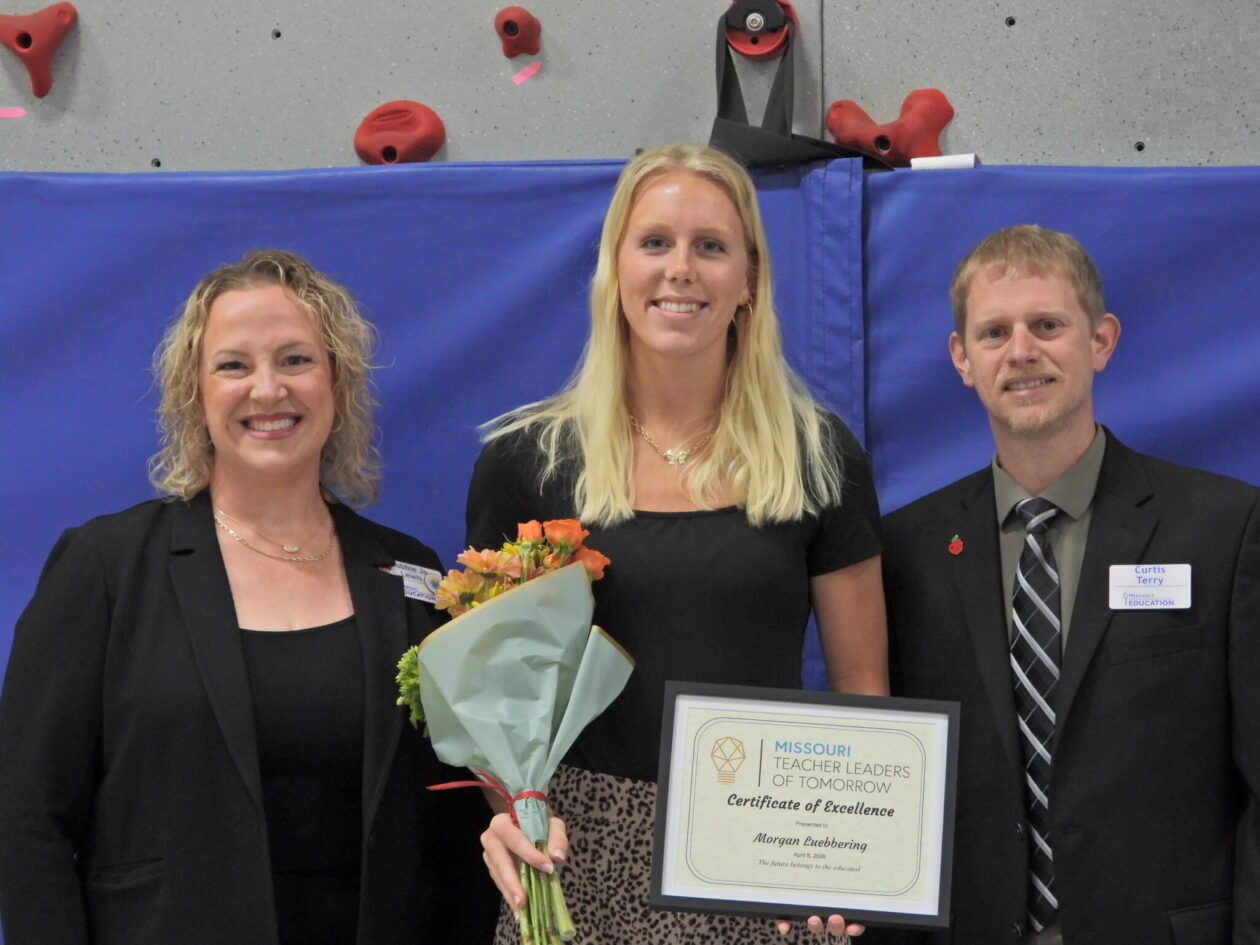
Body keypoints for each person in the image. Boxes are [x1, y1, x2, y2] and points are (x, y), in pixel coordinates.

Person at [0, 249, 496, 944]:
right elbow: (27, 820)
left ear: (338, 384)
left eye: (295, 359)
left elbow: (452, 828)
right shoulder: (106, 569)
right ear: (193, 394)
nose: (268, 389)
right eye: (234, 365)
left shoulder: (409, 573)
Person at [465, 143, 888, 943]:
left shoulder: (819, 456)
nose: (681, 269)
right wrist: (517, 818)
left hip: (767, 860)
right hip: (575, 864)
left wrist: (847, 861)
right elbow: (490, 705)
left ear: (749, 282)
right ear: (614, 268)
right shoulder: (526, 461)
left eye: (711, 246)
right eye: (654, 241)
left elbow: (863, 692)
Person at [879, 225, 1260, 944]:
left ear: (1101, 340)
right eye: (994, 332)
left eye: (1047, 325)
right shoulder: (908, 551)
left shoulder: (1225, 530)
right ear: (962, 358)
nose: (1021, 351)